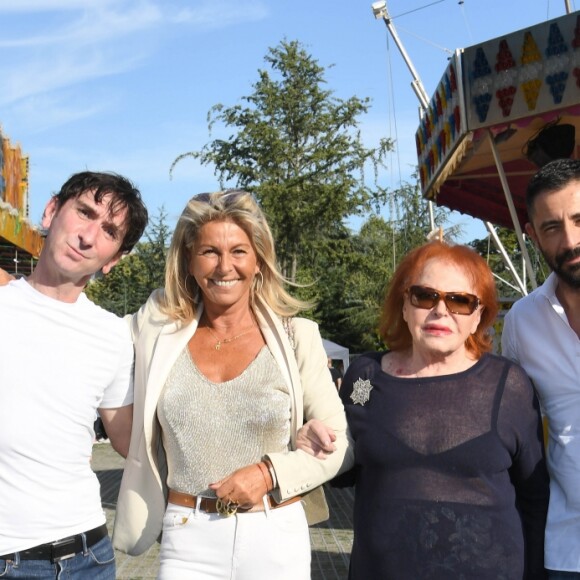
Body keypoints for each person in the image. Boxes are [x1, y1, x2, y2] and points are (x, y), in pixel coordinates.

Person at [112, 190, 352, 579]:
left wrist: (270, 473)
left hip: (275, 535)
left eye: (239, 251)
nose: (225, 267)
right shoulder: (157, 327)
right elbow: (90, 334)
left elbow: (342, 446)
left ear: (258, 260)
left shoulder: (296, 336)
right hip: (186, 535)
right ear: (189, 260)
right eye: (209, 252)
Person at [301, 240, 549, 579]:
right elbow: (345, 472)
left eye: (460, 301)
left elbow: (535, 500)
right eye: (425, 296)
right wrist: (314, 441)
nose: (440, 311)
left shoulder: (510, 386)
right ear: (404, 305)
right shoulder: (365, 378)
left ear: (479, 317)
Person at [0, 171, 148, 579]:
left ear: (114, 259)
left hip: (89, 557)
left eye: (108, 231)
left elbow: (128, 440)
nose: (87, 236)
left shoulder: (114, 335)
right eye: (84, 212)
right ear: (51, 211)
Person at [502, 158, 580, 579]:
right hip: (566, 549)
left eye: (579, 219)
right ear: (533, 235)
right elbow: (509, 426)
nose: (571, 240)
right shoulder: (521, 321)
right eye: (552, 227)